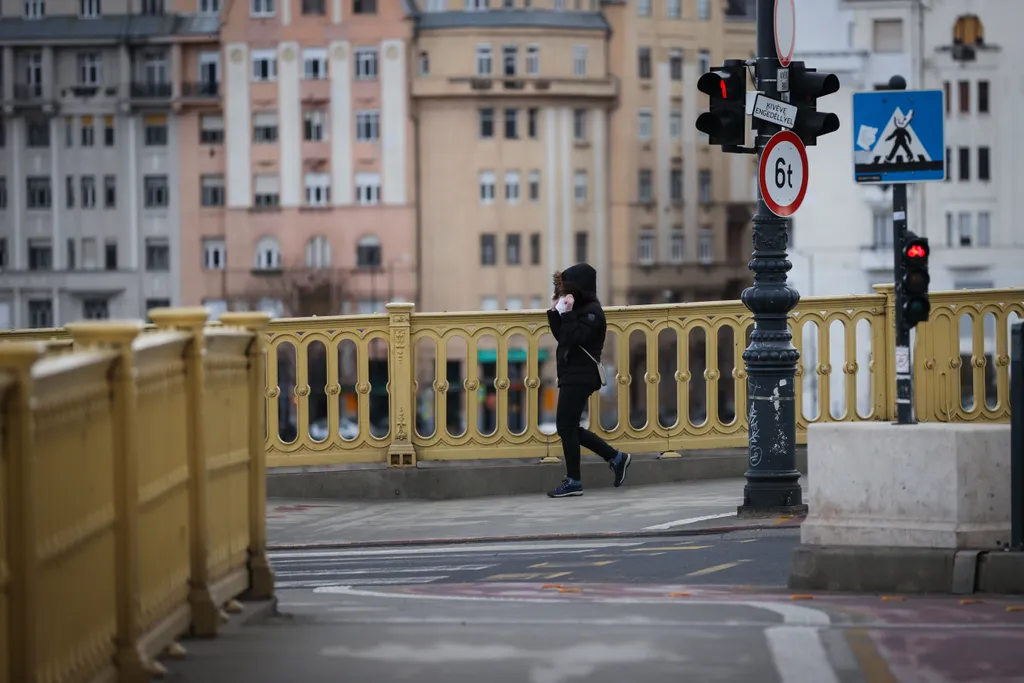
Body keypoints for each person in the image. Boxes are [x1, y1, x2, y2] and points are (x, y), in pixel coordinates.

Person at [545, 263, 631, 498]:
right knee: (569, 426)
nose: (564, 295)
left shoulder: (592, 312)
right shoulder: (583, 310)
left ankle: (575, 481)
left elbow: (574, 339)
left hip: (581, 376)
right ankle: (616, 457)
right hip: (572, 374)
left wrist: (569, 313)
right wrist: (555, 312)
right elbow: (563, 337)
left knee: (566, 426)